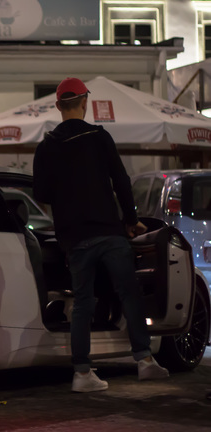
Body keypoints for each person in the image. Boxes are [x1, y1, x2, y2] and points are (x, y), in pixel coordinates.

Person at [33, 77, 169, 393]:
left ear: (57, 106)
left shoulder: (47, 146)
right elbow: (121, 181)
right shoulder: (99, 137)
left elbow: (41, 192)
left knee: (83, 301)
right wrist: (132, 220)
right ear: (85, 102)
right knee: (129, 292)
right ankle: (145, 362)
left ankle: (81, 374)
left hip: (74, 238)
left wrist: (68, 197)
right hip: (108, 232)